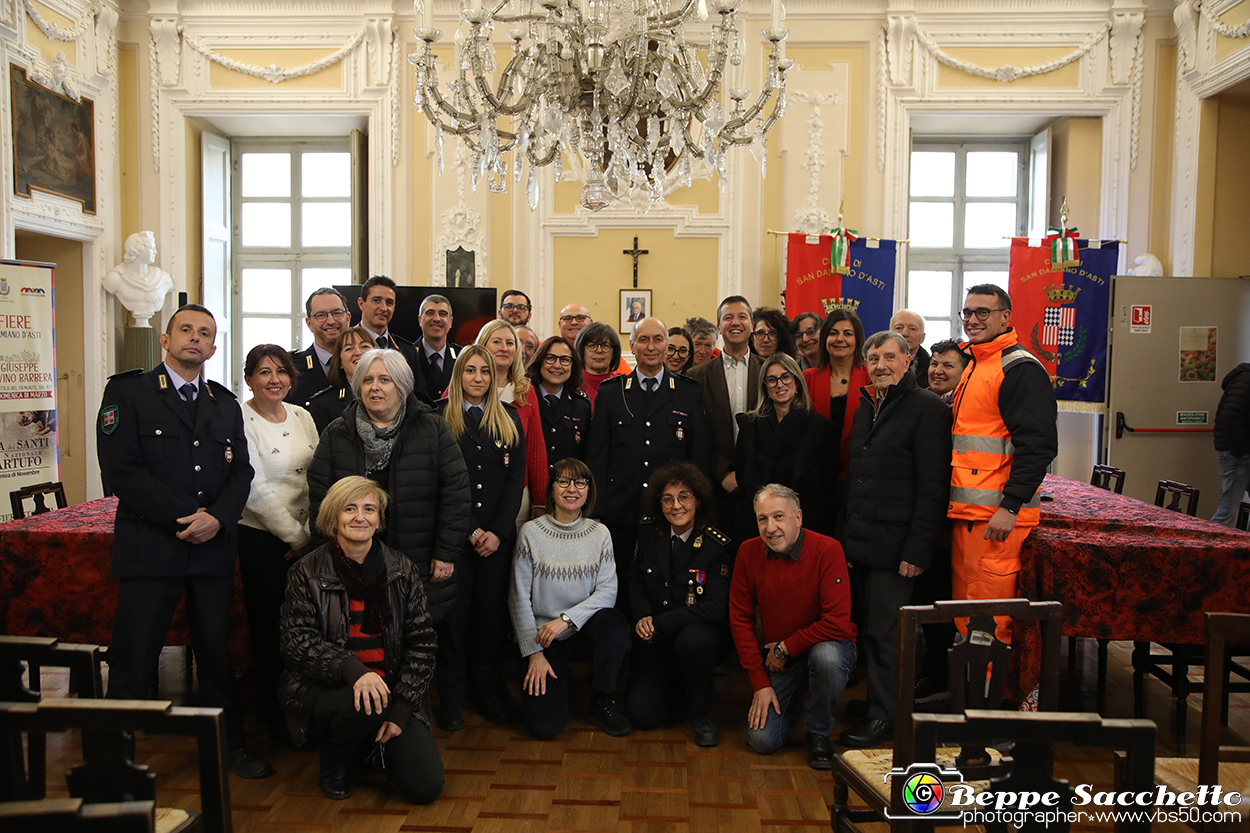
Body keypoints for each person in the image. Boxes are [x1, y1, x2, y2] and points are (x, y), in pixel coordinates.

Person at [96, 303, 271, 778]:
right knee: (134, 658)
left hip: (211, 548)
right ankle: (114, 761)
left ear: (214, 348)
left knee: (217, 655)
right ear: (166, 340)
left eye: (205, 333)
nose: (195, 338)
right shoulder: (127, 393)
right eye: (186, 330)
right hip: (152, 546)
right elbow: (121, 471)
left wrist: (216, 518)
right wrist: (185, 517)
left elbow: (241, 471)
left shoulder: (223, 403)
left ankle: (228, 745)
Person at [278, 476, 443, 804]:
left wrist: (401, 711)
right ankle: (335, 759)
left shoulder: (402, 569)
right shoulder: (306, 571)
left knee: (425, 788)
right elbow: (297, 642)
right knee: (366, 704)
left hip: (390, 690)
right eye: (349, 509)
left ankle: (367, 745)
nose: (360, 517)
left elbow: (422, 644)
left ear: (379, 520)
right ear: (332, 517)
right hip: (326, 690)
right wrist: (355, 671)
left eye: (369, 509)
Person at [836, 332, 952, 749]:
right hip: (863, 540)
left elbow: (933, 487)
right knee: (870, 629)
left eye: (889, 357)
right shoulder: (869, 403)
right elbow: (859, 477)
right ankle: (876, 702)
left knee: (887, 635)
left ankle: (887, 716)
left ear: (908, 361)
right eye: (873, 358)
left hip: (898, 546)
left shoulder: (927, 410)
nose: (880, 364)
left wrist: (917, 550)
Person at [307, 348, 471, 628]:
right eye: (367, 380)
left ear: (402, 385)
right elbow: (320, 498)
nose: (375, 387)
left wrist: (445, 552)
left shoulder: (432, 428)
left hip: (418, 559)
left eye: (385, 379)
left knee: (414, 639)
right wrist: (329, 553)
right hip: (352, 560)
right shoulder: (337, 433)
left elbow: (456, 494)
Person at [948, 284, 1057, 643]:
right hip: (969, 514)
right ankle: (967, 690)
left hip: (997, 519)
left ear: (1005, 317)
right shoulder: (977, 364)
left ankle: (987, 696)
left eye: (983, 312)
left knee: (990, 620)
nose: (973, 320)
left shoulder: (1019, 368)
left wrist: (1010, 506)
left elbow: (1039, 446)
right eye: (968, 313)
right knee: (966, 611)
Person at [586, 317, 711, 610]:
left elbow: (698, 455)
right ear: (632, 346)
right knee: (617, 585)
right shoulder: (611, 392)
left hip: (670, 510)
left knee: (663, 586)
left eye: (657, 339)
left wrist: (696, 508)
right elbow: (597, 457)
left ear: (667, 345)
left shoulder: (688, 392)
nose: (651, 346)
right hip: (620, 509)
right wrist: (596, 511)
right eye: (643, 340)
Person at [728, 484, 856, 770]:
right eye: (763, 519)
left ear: (798, 518)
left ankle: (819, 732)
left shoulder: (828, 549)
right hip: (782, 661)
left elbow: (837, 622)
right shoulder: (748, 552)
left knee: (827, 658)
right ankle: (794, 701)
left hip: (824, 645)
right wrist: (760, 683)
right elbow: (740, 620)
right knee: (762, 741)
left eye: (778, 517)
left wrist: (786, 648)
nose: (770, 527)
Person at [435, 345, 526, 730]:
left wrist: (498, 531)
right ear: (458, 376)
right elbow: (441, 483)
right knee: (454, 621)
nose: (477, 378)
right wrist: (472, 529)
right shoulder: (439, 419)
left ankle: (487, 691)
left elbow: (514, 480)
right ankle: (452, 697)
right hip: (455, 538)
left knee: (490, 620)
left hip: (495, 542)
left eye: (485, 372)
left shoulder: (509, 418)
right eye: (469, 371)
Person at [509, 459, 631, 739]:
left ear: (589, 491)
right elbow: (518, 598)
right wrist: (534, 653)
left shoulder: (600, 534)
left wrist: (566, 619)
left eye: (580, 482)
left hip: (583, 630)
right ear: (551, 490)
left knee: (614, 623)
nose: (571, 488)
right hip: (543, 637)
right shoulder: (530, 533)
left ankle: (602, 700)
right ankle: (549, 683)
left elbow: (607, 593)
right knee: (545, 728)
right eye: (562, 481)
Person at [238, 344, 319, 744]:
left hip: (306, 542)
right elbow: (253, 491)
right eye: (264, 372)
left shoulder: (302, 415)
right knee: (271, 632)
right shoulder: (241, 418)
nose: (274, 380)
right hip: (264, 542)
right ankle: (273, 716)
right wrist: (296, 538)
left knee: (308, 629)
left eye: (282, 372)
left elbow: (316, 475)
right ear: (250, 377)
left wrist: (311, 536)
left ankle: (307, 708)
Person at [625, 462, 733, 747]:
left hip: (698, 636)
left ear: (697, 500)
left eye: (684, 497)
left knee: (693, 641)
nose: (676, 506)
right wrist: (642, 616)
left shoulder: (715, 545)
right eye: (668, 498)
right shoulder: (650, 532)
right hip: (656, 639)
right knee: (642, 716)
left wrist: (659, 623)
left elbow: (713, 608)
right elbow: (635, 578)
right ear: (659, 503)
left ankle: (701, 713)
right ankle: (676, 684)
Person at [734, 354, 838, 539]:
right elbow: (743, 478)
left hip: (806, 527)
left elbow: (827, 487)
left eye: (786, 377)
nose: (780, 384)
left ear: (797, 382)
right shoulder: (750, 426)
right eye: (772, 380)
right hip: (756, 526)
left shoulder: (821, 429)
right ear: (765, 387)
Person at [688, 296, 761, 534]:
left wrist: (750, 475)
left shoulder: (770, 371)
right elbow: (696, 433)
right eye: (728, 317)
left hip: (761, 484)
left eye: (742, 317)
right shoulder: (697, 376)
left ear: (752, 324)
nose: (735, 322)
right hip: (714, 487)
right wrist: (722, 473)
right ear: (719, 327)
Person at [477, 319, 548, 520]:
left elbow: (536, 451)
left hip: (516, 496)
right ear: (482, 346)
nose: (504, 348)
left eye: (510, 343)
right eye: (497, 342)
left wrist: (540, 502)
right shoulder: (464, 386)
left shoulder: (526, 392)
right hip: (472, 493)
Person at [802, 309, 871, 480]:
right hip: (815, 474)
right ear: (825, 338)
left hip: (860, 474)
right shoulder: (807, 378)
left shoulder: (871, 378)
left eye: (847, 333)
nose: (840, 339)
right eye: (833, 333)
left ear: (858, 340)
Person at [356, 276, 428, 402]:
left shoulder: (408, 351)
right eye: (376, 300)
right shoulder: (345, 346)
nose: (383, 308)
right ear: (361, 304)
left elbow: (419, 398)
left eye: (389, 303)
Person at [529, 335, 592, 476]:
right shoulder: (525, 399)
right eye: (550, 358)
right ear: (540, 361)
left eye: (565, 360)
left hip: (568, 487)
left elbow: (586, 455)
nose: (557, 365)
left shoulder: (582, 405)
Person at [306, 326, 377, 434]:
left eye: (365, 346)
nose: (358, 352)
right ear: (340, 363)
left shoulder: (396, 394)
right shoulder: (322, 404)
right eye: (349, 348)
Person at [289, 287, 348, 408]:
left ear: (348, 318)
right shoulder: (292, 367)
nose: (331, 321)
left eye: (337, 313)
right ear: (309, 324)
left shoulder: (364, 364)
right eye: (321, 315)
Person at [102, 231, 175, 327]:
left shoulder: (163, 278)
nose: (155, 252)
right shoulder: (115, 278)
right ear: (137, 250)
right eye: (151, 248)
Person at [1212, 362, 1250, 524]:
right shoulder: (1246, 381)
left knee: (1228, 511)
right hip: (1238, 455)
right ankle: (1208, 548)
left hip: (1238, 452)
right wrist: (1241, 451)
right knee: (1227, 513)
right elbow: (1229, 417)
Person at [413, 294, 460, 398]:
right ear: (420, 320)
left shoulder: (461, 357)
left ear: (450, 322)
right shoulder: (406, 356)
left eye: (443, 314)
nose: (437, 319)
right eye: (430, 313)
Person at [574, 322, 623, 407]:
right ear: (582, 351)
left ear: (614, 353)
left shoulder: (623, 386)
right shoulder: (571, 385)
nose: (599, 350)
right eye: (592, 345)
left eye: (605, 345)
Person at [890, 309, 930, 389]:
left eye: (912, 329)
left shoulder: (932, 369)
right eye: (899, 328)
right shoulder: (876, 364)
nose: (905, 333)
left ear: (922, 337)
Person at [927, 339, 970, 404]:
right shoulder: (917, 401)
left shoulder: (968, 405)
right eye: (934, 364)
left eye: (948, 366)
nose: (938, 371)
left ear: (965, 371)